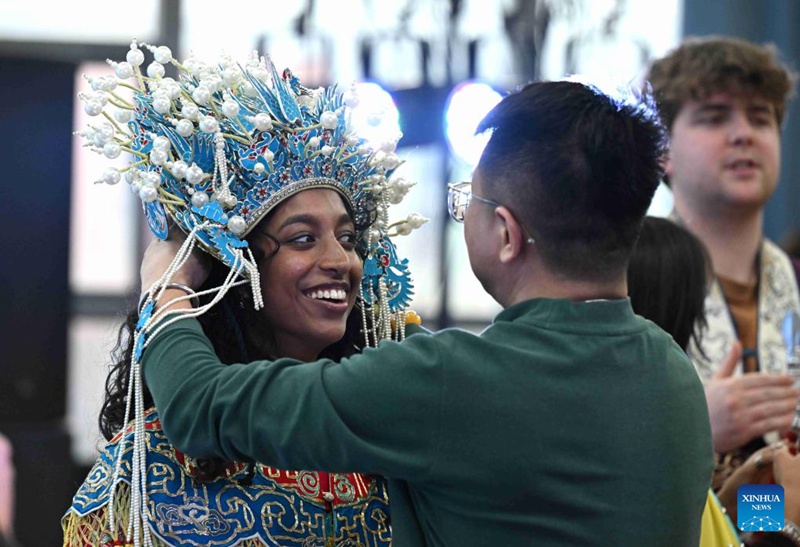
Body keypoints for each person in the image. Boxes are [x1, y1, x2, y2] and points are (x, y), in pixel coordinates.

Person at [138, 80, 714, 545]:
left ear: (506, 232)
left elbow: (196, 407)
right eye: (302, 238)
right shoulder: (674, 374)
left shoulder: (447, 381)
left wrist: (167, 288)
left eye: (471, 201)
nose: (341, 261)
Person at [63, 41, 426, 546]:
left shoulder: (383, 430)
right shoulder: (150, 463)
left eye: (347, 239)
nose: (341, 261)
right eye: (303, 238)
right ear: (233, 267)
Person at [645, 35, 800, 489]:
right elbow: (580, 447)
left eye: (761, 118)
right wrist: (694, 425)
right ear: (663, 152)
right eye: (714, 117)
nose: (744, 133)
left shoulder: (795, 281)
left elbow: (762, 505)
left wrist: (769, 526)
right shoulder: (620, 280)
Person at [627, 216, 800, 547]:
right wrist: (791, 522)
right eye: (697, 318)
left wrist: (759, 498)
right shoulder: (645, 444)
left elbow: (724, 523)